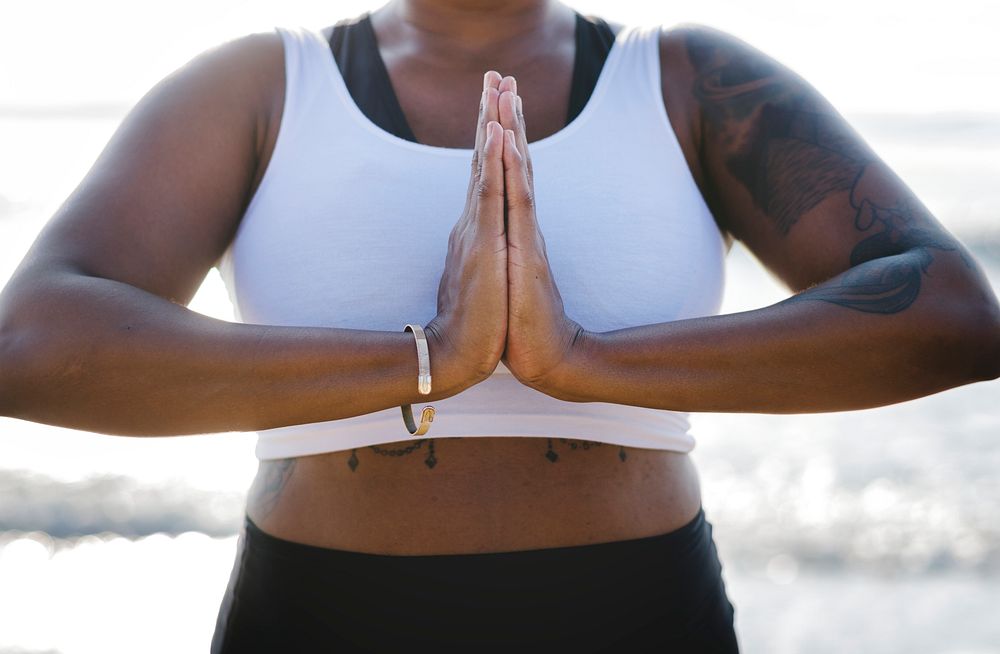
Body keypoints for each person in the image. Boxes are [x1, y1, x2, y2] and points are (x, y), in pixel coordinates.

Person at [0, 0, 997, 651]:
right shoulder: (261, 85)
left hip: (636, 614)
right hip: (319, 618)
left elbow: (951, 312)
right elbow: (32, 344)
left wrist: (581, 362)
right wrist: (425, 360)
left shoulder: (688, 79)